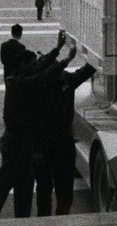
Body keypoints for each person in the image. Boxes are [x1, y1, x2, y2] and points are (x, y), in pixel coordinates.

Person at [0, 30, 73, 220]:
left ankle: (21, 220)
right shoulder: (18, 84)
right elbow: (41, 77)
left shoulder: (19, 75)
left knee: (24, 183)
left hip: (24, 139)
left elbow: (40, 65)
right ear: (22, 65)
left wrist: (57, 49)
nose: (35, 66)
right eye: (31, 64)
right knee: (4, 182)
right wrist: (65, 61)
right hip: (16, 140)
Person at [34, 44, 97, 216]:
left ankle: (60, 220)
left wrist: (97, 53)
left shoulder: (65, 79)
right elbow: (33, 121)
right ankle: (46, 221)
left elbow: (86, 71)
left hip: (62, 141)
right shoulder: (38, 87)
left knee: (62, 188)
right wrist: (36, 150)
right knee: (46, 188)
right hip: (47, 142)